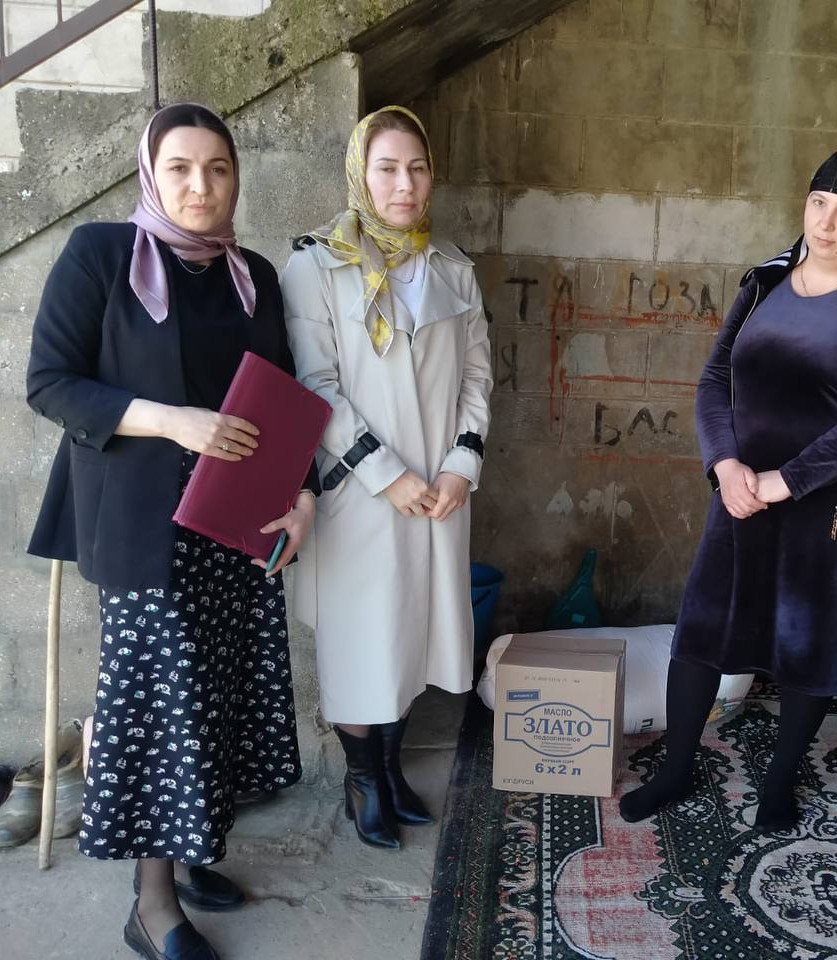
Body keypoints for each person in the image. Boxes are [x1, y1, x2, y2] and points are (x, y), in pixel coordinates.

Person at [26, 103, 314, 960]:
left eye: (218, 168)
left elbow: (284, 399)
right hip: (145, 531)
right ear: (151, 174)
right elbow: (50, 382)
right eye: (180, 168)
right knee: (161, 709)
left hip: (234, 523)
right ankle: (151, 908)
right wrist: (171, 421)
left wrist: (302, 499)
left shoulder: (251, 275)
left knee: (217, 698)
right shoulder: (102, 255)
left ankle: (187, 860)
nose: (200, 186)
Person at [619, 149, 837, 829]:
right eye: (819, 203)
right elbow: (713, 380)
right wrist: (724, 465)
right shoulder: (764, 282)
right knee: (702, 632)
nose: (826, 222)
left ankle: (780, 782)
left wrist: (790, 480)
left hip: (826, 505)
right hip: (741, 496)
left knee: (807, 645)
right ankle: (674, 771)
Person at [281, 105, 492, 850]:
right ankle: (362, 779)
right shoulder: (315, 266)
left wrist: (461, 464)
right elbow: (314, 386)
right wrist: (387, 474)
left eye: (417, 168)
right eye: (387, 168)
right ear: (360, 174)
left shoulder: (452, 268)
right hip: (359, 492)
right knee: (359, 640)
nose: (405, 184)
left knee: (412, 634)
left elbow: (476, 378)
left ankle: (392, 770)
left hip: (439, 493)